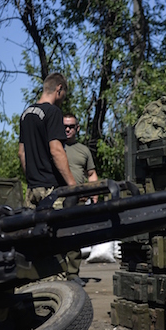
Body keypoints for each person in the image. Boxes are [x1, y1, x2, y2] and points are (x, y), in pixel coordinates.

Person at [18, 73, 77, 209]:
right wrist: (73, 186)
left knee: (35, 228)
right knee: (60, 228)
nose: (62, 99)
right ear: (59, 89)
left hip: (32, 190)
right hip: (51, 190)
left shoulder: (26, 114)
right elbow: (56, 150)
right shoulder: (53, 112)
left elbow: (22, 153)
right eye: (64, 95)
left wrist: (33, 180)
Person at [62, 113, 99, 286]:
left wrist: (94, 192)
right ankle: (56, 273)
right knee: (56, 236)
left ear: (77, 128)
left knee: (75, 236)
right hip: (57, 198)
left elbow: (91, 174)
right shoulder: (55, 147)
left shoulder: (84, 150)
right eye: (64, 126)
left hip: (78, 199)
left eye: (71, 126)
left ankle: (73, 274)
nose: (67, 129)